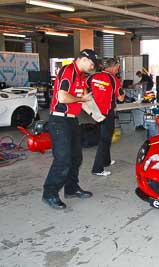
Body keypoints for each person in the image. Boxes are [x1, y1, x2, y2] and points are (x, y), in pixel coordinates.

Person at [42, 49, 97, 210]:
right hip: (59, 120)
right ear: (84, 59)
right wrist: (82, 99)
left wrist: (98, 115)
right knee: (62, 159)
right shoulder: (69, 71)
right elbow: (62, 97)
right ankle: (49, 194)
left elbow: (84, 100)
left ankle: (71, 189)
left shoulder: (80, 76)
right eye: (92, 63)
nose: (92, 67)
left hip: (72, 120)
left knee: (76, 157)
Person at [87, 58, 125, 177]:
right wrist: (122, 91)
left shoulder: (93, 76)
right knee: (104, 140)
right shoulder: (114, 79)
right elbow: (121, 98)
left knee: (106, 137)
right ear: (113, 67)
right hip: (107, 113)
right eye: (117, 67)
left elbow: (82, 86)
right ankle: (97, 169)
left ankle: (106, 161)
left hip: (95, 112)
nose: (118, 69)